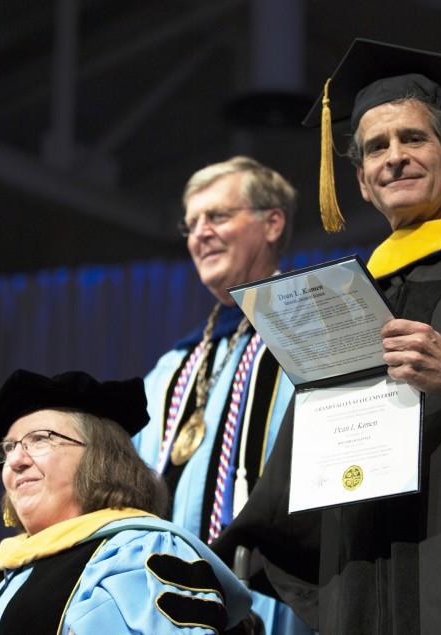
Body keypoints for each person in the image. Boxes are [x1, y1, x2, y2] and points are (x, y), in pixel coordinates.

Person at [212, 39, 441, 634]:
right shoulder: (349, 296)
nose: (394, 158)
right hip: (363, 569)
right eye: (377, 148)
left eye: (413, 139)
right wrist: (243, 540)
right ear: (360, 181)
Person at [0, 369, 253, 634]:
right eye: (9, 448)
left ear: (101, 458)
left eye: (40, 439)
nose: (16, 460)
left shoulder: (140, 557)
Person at [134, 157, 311, 633]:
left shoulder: (313, 334)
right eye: (191, 223)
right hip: (170, 602)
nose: (200, 234)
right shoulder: (172, 368)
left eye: (217, 216)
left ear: (272, 223)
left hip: (275, 591)